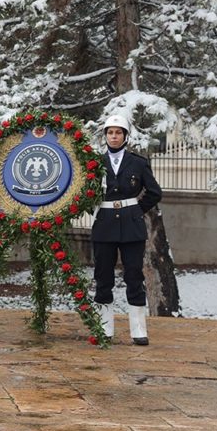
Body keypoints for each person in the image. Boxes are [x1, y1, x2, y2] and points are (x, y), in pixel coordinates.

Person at [92, 115, 163, 346]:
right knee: (103, 276)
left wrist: (136, 210)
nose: (114, 136)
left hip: (132, 227)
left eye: (118, 132)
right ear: (105, 136)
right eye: (110, 132)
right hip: (104, 226)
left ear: (125, 136)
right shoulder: (93, 162)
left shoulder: (138, 163)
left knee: (133, 275)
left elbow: (154, 192)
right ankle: (104, 327)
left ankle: (139, 329)